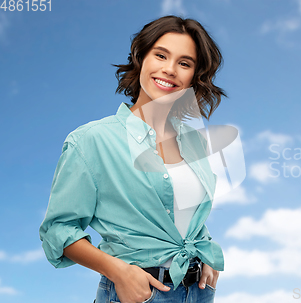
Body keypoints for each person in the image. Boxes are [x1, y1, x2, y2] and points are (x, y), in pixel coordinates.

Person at [39, 15, 227, 303]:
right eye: (161, 55)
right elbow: (58, 230)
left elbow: (185, 216)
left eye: (184, 63)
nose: (170, 69)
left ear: (194, 75)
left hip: (198, 293)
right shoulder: (92, 140)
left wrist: (207, 251)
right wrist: (119, 271)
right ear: (141, 58)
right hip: (138, 293)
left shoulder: (194, 143)